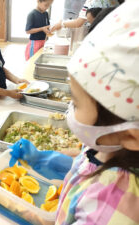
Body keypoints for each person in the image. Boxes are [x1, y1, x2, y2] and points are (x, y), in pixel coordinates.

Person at [54, 1, 139, 224]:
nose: (69, 110)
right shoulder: (109, 144)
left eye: (76, 102)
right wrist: (59, 159)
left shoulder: (110, 204)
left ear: (131, 136)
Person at [51, 0, 120, 32]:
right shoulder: (116, 2)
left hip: (101, 34)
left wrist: (62, 24)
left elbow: (78, 23)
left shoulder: (91, 3)